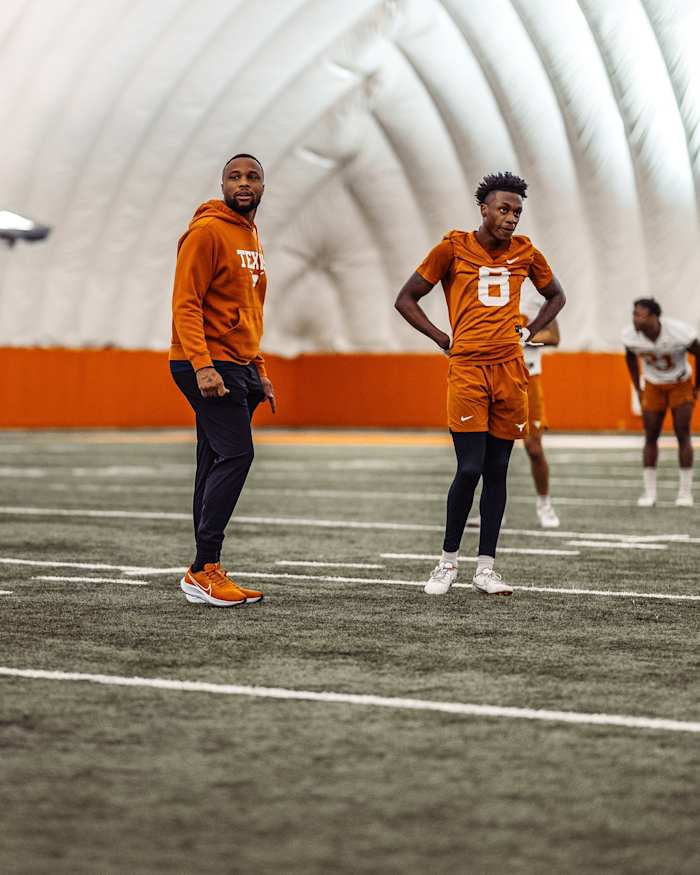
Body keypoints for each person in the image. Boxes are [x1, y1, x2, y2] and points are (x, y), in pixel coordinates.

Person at [395, 171, 565, 596]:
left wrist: (530, 332)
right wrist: (442, 339)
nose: (511, 218)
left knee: (498, 470)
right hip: (469, 368)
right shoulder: (452, 248)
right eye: (504, 209)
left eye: (517, 212)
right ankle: (447, 563)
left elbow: (557, 295)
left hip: (510, 370)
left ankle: (486, 569)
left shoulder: (526, 252)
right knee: (469, 467)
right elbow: (406, 298)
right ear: (484, 209)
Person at [169, 153, 275, 606]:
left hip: (238, 363)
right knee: (237, 454)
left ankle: (203, 570)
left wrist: (259, 369)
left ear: (263, 187)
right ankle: (203, 568)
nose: (243, 183)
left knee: (213, 459)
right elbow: (186, 303)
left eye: (252, 177)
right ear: (223, 185)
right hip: (208, 362)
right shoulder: (207, 232)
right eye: (234, 177)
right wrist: (203, 365)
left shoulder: (250, 235)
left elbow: (250, 310)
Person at [622, 297, 699, 507]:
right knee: (650, 435)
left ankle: (685, 493)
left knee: (682, 433)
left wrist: (696, 387)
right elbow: (629, 357)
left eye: (641, 315)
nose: (636, 319)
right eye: (634, 314)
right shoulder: (630, 336)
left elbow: (699, 353)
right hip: (653, 384)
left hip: (680, 382)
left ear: (655, 317)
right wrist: (638, 387)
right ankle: (650, 493)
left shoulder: (678, 332)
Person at [519, 284, 561, 528]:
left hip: (528, 376)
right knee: (491, 452)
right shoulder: (484, 284)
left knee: (534, 448)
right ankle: (490, 510)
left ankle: (545, 504)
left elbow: (553, 336)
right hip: (496, 375)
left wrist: (523, 336)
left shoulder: (535, 294)